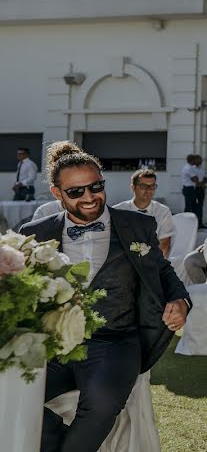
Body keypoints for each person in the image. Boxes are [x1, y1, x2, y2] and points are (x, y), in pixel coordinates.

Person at [20, 141, 189, 452]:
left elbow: (162, 270)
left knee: (99, 405)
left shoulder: (138, 225)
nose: (89, 197)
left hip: (115, 341)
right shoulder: (36, 233)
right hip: (53, 349)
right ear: (58, 194)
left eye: (96, 186)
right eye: (76, 191)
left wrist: (181, 301)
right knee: (11, 393)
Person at [113, 169, 176, 258]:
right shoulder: (118, 211)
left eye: (152, 186)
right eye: (143, 186)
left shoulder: (163, 212)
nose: (149, 190)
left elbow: (164, 245)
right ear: (133, 187)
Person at [190, 155, 207, 224]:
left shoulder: (202, 168)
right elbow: (193, 179)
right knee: (193, 205)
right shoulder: (192, 168)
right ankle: (194, 222)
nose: (200, 161)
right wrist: (201, 184)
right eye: (198, 160)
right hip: (194, 189)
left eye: (201, 160)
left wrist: (202, 183)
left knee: (200, 206)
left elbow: (205, 178)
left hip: (201, 189)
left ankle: (200, 222)